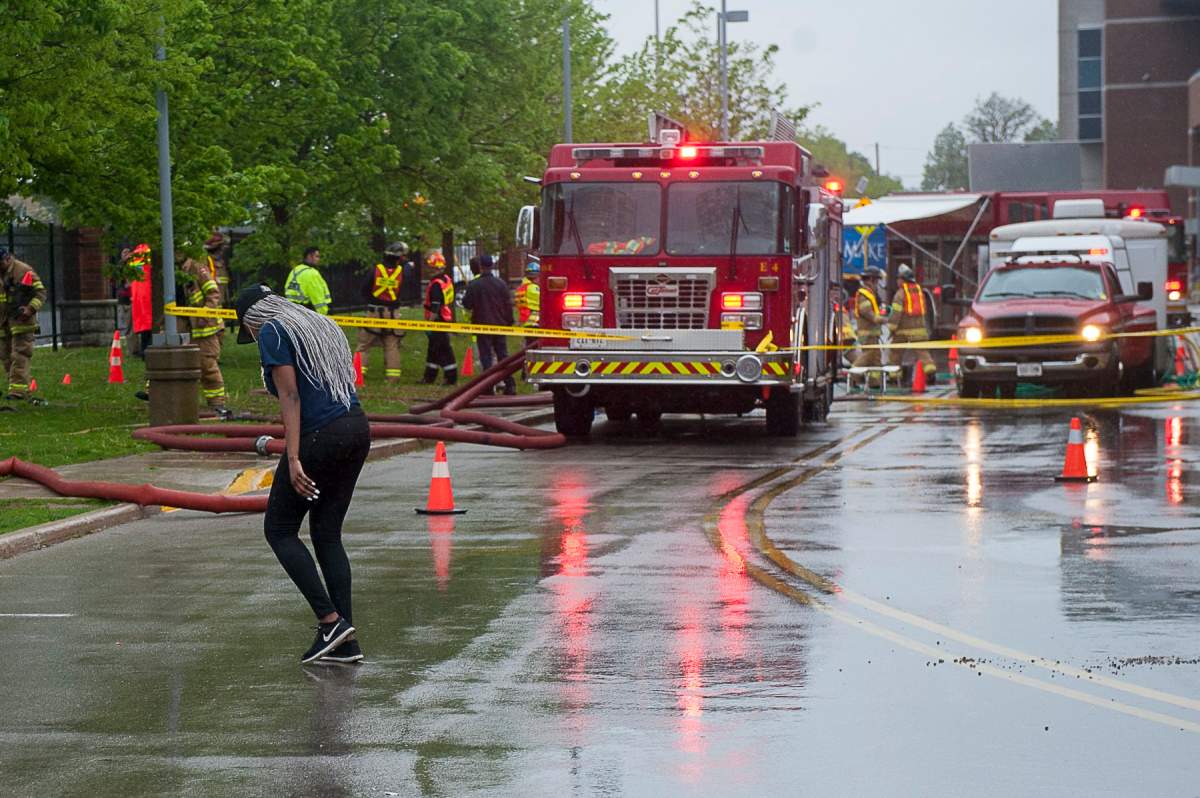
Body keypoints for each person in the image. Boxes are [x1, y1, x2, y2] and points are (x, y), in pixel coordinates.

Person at [235, 285, 370, 665]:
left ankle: (329, 621)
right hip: (356, 428)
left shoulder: (272, 331)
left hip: (319, 435)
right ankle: (345, 640)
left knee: (278, 529)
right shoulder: (321, 325)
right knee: (327, 533)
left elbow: (290, 396)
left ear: (251, 319)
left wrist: (293, 457)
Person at [179, 251, 230, 417]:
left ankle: (217, 404)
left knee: (207, 366)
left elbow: (214, 294)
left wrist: (204, 314)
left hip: (206, 329)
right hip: (186, 327)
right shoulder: (170, 272)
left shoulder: (198, 269)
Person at [462, 254, 517, 394]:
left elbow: (467, 304)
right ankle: (510, 385)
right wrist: (509, 322)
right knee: (503, 357)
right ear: (492, 266)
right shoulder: (501, 284)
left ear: (480, 267)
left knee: (486, 357)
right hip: (499, 325)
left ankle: (487, 388)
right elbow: (508, 305)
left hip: (482, 325)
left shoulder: (474, 285)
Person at [354, 242, 408, 383]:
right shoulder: (402, 272)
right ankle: (392, 378)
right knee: (392, 346)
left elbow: (364, 289)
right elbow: (406, 290)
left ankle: (357, 376)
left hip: (374, 312)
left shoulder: (375, 270)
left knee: (364, 346)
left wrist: (371, 300)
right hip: (393, 314)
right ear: (399, 258)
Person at [0, 247, 46, 401]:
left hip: (22, 321)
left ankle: (18, 392)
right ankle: (15, 385)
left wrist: (30, 308)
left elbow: (40, 293)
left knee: (19, 355)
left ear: (7, 259)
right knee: (5, 356)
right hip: (3, 321)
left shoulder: (23, 270)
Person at [889, 263, 936, 385]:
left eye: (898, 279)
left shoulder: (900, 294)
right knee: (923, 352)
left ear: (903, 280)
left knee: (895, 353)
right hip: (919, 329)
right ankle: (931, 373)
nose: (897, 281)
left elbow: (896, 313)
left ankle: (894, 377)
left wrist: (891, 328)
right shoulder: (919, 291)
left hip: (902, 330)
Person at [422, 251, 457, 385]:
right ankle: (429, 377)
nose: (426, 270)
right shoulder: (446, 280)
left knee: (443, 350)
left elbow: (435, 306)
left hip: (438, 320)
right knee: (433, 349)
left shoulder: (436, 284)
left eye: (428, 267)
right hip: (444, 317)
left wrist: (430, 324)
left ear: (433, 267)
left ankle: (451, 377)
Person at [850, 266, 889, 388]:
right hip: (867, 333)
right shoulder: (864, 294)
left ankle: (875, 383)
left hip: (873, 332)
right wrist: (879, 319)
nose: (877, 283)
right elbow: (866, 311)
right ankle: (852, 377)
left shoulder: (871, 294)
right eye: (876, 280)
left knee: (876, 358)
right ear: (871, 280)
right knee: (868, 356)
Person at [285, 247, 332, 315]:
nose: (318, 259)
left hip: (291, 311)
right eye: (317, 256)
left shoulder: (295, 270)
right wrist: (324, 314)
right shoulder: (312, 273)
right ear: (309, 256)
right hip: (308, 312)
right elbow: (317, 297)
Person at [127, 244, 155, 359]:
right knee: (150, 327)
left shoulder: (135, 257)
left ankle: (144, 352)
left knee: (144, 328)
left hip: (138, 296)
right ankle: (148, 352)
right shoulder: (150, 253)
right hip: (148, 295)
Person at [204, 231, 231, 305]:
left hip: (220, 310)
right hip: (208, 310)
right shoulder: (205, 263)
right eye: (221, 246)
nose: (223, 249)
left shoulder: (221, 264)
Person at [515, 261, 541, 327]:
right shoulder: (534, 288)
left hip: (524, 319)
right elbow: (544, 301)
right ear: (537, 276)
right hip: (534, 320)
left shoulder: (520, 288)